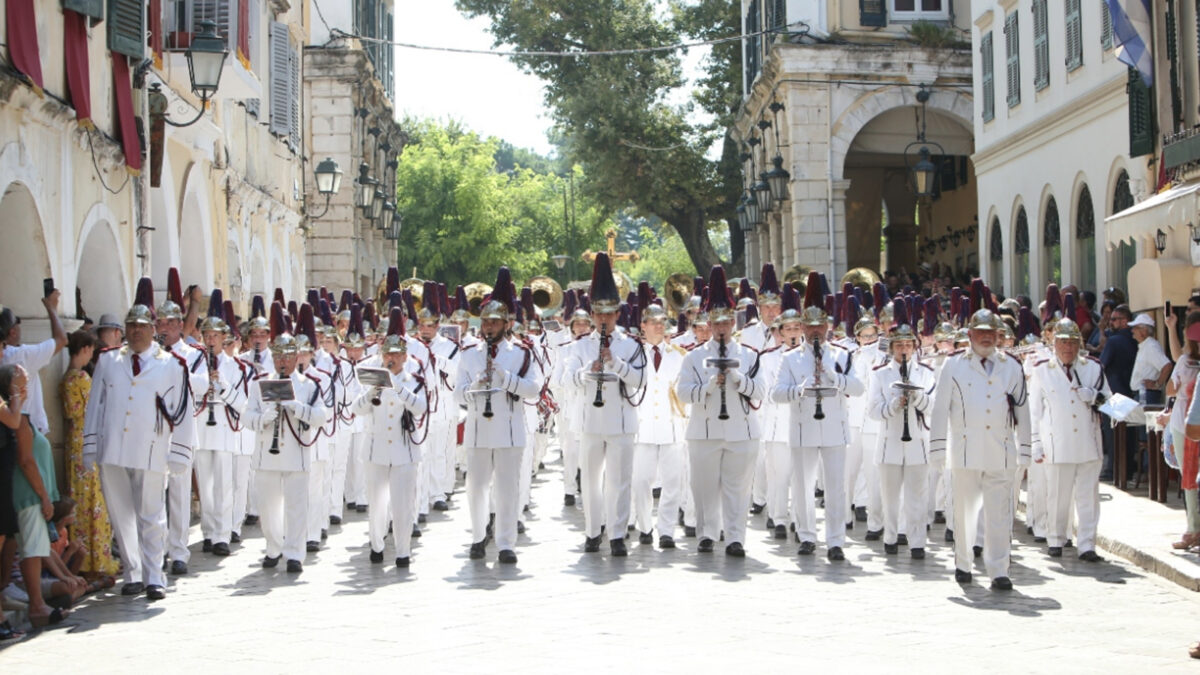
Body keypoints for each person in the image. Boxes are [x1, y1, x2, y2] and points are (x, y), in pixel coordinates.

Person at [83, 278, 196, 600]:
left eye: (142, 326)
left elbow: (183, 413)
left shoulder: (171, 365)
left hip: (150, 449)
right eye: (131, 325)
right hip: (113, 448)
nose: (136, 331)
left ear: (153, 330)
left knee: (151, 516)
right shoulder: (108, 361)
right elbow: (95, 407)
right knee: (120, 515)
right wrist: (90, 448)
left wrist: (179, 454)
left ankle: (154, 576)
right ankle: (132, 573)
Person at [929, 307, 1031, 590]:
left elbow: (1023, 410)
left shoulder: (1011, 365)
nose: (986, 338)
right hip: (965, 450)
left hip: (1001, 450)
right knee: (965, 511)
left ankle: (999, 570)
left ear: (999, 335)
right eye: (981, 333)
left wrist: (1026, 450)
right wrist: (938, 450)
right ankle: (963, 563)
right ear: (970, 334)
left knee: (999, 515)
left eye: (991, 333)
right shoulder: (954, 364)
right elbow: (940, 410)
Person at [772, 272, 863, 561]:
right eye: (809, 327)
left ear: (827, 326)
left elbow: (858, 388)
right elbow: (776, 393)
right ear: (801, 327)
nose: (814, 332)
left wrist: (833, 377)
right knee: (802, 484)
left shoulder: (842, 355)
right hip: (803, 427)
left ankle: (836, 540)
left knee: (836, 487)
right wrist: (798, 390)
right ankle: (807, 535)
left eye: (819, 326)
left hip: (835, 428)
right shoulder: (790, 358)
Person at [454, 268, 543, 564]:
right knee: (476, 488)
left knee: (508, 489)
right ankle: (479, 536)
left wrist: (506, 379)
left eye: (495, 322)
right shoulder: (469, 353)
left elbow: (534, 388)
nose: (489, 327)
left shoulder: (521, 353)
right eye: (486, 322)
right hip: (479, 430)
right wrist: (474, 386)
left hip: (509, 430)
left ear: (507, 324)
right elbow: (457, 393)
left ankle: (506, 543)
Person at [676, 266, 764, 556]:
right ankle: (706, 534)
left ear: (734, 323)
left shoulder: (749, 355)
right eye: (717, 322)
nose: (722, 328)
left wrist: (737, 379)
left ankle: (736, 537)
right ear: (709, 324)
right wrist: (710, 386)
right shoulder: (694, 357)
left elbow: (760, 392)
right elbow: (683, 393)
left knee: (738, 489)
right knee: (703, 487)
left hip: (741, 430)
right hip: (704, 430)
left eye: (727, 322)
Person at [564, 253, 646, 557]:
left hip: (622, 421)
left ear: (618, 314)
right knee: (590, 480)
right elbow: (566, 378)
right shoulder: (581, 344)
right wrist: (588, 371)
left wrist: (617, 364)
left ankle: (617, 534)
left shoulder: (631, 344)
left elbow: (640, 381)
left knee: (619, 481)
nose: (603, 320)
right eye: (598, 314)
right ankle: (592, 531)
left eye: (609, 314)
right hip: (590, 421)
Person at [243, 304, 328, 574]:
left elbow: (320, 417)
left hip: (296, 455)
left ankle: (294, 553)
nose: (282, 361)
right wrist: (263, 418)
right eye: (278, 355)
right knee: (268, 511)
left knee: (296, 508)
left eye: (287, 356)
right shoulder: (259, 383)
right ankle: (273, 547)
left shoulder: (308, 385)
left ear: (296, 358)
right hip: (267, 454)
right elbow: (247, 417)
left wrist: (296, 407)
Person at [352, 308, 428, 568]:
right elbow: (357, 408)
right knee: (377, 503)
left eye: (396, 354)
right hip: (376, 451)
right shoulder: (371, 376)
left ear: (405, 357)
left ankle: (403, 551)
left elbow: (420, 407)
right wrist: (375, 388)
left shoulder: (414, 380)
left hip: (404, 451)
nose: (391, 358)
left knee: (403, 504)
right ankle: (376, 545)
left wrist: (399, 388)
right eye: (387, 354)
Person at [1029, 318, 1109, 562]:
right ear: (1054, 343)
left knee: (1088, 498)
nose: (1068, 348)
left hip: (1087, 442)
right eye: (1063, 342)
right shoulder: (1042, 371)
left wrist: (1094, 396)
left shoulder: (1093, 368)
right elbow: (1034, 412)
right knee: (1057, 495)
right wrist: (1035, 444)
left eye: (1073, 342)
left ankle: (1087, 545)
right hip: (1057, 442)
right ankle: (1055, 538)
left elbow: (1110, 401)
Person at [866, 313, 937, 559]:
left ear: (915, 347)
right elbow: (873, 411)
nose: (904, 349)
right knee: (890, 496)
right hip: (889, 442)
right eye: (899, 345)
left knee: (917, 495)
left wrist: (917, 398)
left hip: (917, 441)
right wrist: (894, 406)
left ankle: (917, 541)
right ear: (892, 348)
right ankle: (891, 537)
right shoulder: (879, 374)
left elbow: (934, 409)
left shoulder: (926, 373)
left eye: (908, 344)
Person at [6, 363, 69, 625]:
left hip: (32, 494)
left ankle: (37, 604)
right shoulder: (18, 419)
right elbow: (26, 461)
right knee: (31, 550)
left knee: (32, 547)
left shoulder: (22, 415)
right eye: (20, 383)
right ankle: (37, 606)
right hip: (29, 495)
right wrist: (43, 496)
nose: (25, 387)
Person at [193, 291, 249, 558]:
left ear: (224, 338)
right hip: (202, 425)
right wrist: (203, 382)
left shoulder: (236, 367)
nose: (211, 340)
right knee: (205, 483)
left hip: (225, 427)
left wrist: (223, 388)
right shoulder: (194, 362)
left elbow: (242, 404)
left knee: (224, 483)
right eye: (207, 336)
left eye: (215, 336)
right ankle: (208, 531)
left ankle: (223, 534)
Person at [60, 329, 118, 578]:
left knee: (86, 500)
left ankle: (90, 559)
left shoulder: (68, 379)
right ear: (84, 350)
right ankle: (97, 560)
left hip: (75, 442)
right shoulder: (81, 378)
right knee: (95, 501)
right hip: (87, 441)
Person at [631, 291, 687, 549]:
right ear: (643, 326)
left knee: (673, 483)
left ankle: (666, 530)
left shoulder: (678, 355)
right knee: (642, 482)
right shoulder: (634, 354)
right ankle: (644, 525)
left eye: (662, 322)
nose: (659, 326)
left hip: (671, 426)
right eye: (653, 322)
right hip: (642, 428)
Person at [0, 286, 68, 434]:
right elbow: (61, 339)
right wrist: (52, 309)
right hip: (27, 431)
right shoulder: (21, 355)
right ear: (12, 332)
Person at [1129, 313, 1173, 406]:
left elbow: (1167, 366)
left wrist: (1157, 384)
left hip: (1147, 395)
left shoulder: (1150, 346)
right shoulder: (1146, 345)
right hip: (1143, 394)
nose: (1132, 330)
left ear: (1144, 331)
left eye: (1135, 328)